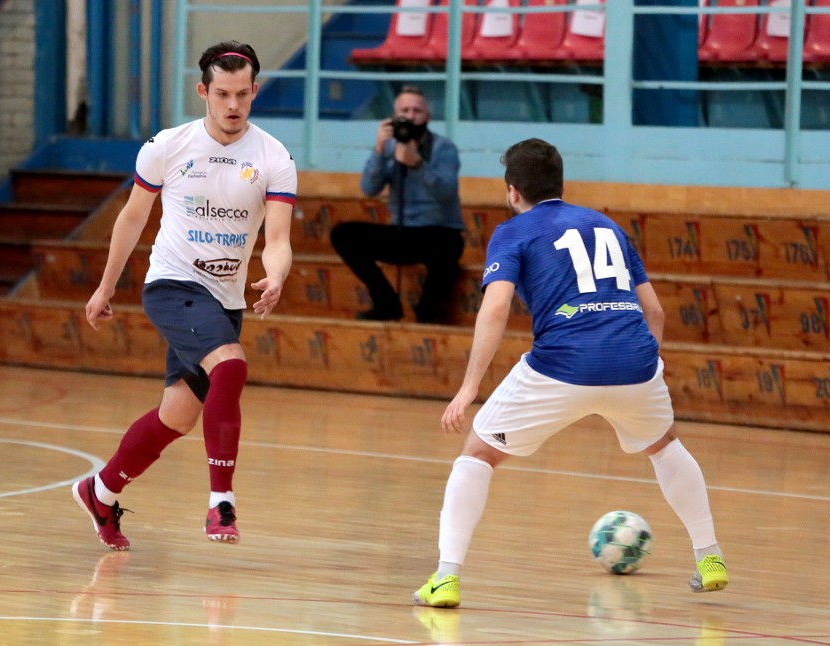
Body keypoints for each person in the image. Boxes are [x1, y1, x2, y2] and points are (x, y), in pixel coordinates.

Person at [413, 138, 728, 608]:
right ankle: (710, 558)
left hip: (563, 363)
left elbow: (496, 308)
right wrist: (644, 368)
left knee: (477, 455)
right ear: (561, 184)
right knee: (665, 446)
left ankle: (445, 579)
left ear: (513, 191)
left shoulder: (514, 230)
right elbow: (656, 312)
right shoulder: (607, 225)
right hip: (636, 360)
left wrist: (468, 389)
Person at [73, 40, 297, 550]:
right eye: (223, 93)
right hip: (171, 286)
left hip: (225, 299)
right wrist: (106, 286)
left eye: (243, 93)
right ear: (204, 91)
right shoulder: (167, 146)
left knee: (176, 416)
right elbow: (133, 218)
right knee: (232, 366)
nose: (233, 105)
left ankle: (100, 491)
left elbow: (278, 241)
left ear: (255, 91)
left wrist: (277, 276)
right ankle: (222, 502)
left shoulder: (273, 156)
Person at [330, 86, 464, 323]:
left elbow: (447, 193)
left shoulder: (444, 148)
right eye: (404, 111)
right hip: (402, 233)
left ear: (427, 117)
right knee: (343, 234)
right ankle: (386, 303)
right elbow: (369, 189)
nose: (411, 117)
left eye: (417, 111)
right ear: (394, 117)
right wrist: (379, 151)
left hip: (437, 233)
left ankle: (427, 314)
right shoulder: (389, 147)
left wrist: (418, 165)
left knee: (451, 245)